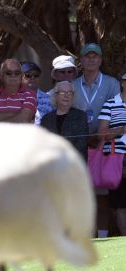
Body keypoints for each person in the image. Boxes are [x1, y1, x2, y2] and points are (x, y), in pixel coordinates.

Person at [72, 43, 120, 238]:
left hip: (103, 145)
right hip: (78, 146)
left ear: (100, 60)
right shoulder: (73, 85)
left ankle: (102, 236)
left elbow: (117, 114)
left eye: (95, 56)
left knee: (101, 194)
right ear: (81, 61)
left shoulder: (111, 84)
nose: (91, 59)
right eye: (87, 56)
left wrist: (101, 136)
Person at [95, 72, 126, 236]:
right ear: (122, 83)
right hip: (118, 160)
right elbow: (101, 134)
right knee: (121, 205)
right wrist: (121, 129)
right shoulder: (110, 104)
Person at [40, 81, 87, 161]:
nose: (66, 95)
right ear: (56, 95)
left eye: (70, 92)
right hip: (51, 164)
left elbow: (81, 144)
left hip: (73, 164)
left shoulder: (80, 116)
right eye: (63, 92)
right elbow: (43, 144)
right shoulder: (46, 119)